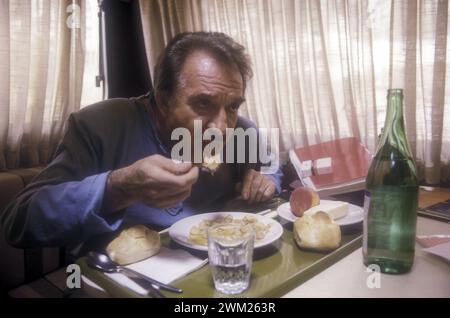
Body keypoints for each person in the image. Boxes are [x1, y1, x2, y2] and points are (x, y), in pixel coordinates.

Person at [1, 32, 282, 248]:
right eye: (203, 104)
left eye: (233, 106)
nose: (221, 128)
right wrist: (116, 189)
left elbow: (271, 167)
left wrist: (266, 178)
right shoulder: (100, 126)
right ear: (162, 99)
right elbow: (19, 221)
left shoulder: (241, 131)